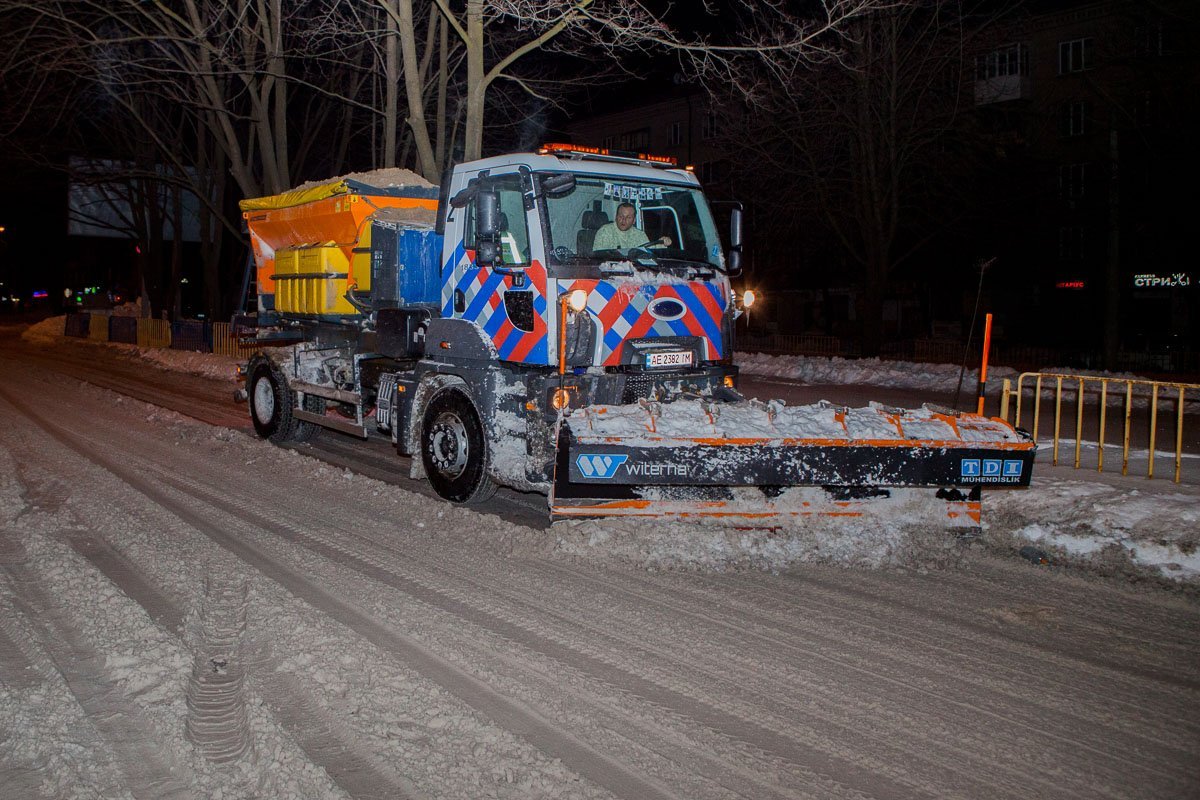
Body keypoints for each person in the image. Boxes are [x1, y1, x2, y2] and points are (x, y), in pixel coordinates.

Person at [592, 202, 672, 251]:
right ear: (616, 217)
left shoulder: (639, 235)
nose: (623, 220)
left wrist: (662, 243)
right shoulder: (605, 231)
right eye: (621, 216)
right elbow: (599, 258)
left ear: (634, 221)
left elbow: (647, 252)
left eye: (628, 217)